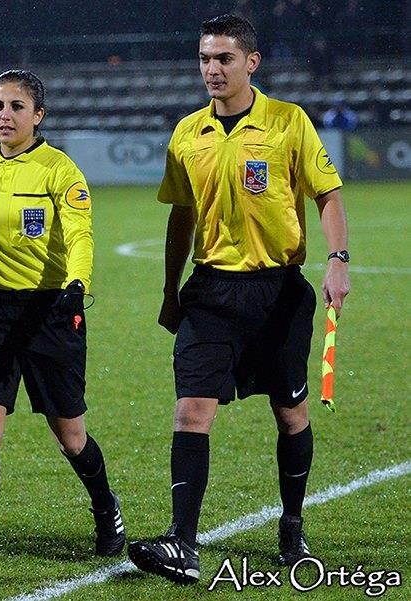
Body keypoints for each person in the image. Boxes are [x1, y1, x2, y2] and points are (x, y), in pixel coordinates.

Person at [126, 14, 350, 585]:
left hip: (277, 292)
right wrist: (169, 289)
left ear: (251, 62)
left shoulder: (287, 122)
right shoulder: (187, 133)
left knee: (291, 411)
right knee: (191, 410)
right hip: (211, 291)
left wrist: (338, 262)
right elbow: (181, 217)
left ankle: (292, 526)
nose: (212, 70)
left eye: (224, 59)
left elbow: (326, 194)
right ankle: (182, 541)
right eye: (205, 59)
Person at [0, 69, 126, 587]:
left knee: (70, 435)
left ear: (38, 116)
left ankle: (105, 507)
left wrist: (77, 284)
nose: (4, 116)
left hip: (51, 313)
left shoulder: (60, 170)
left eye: (15, 106)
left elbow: (80, 235)